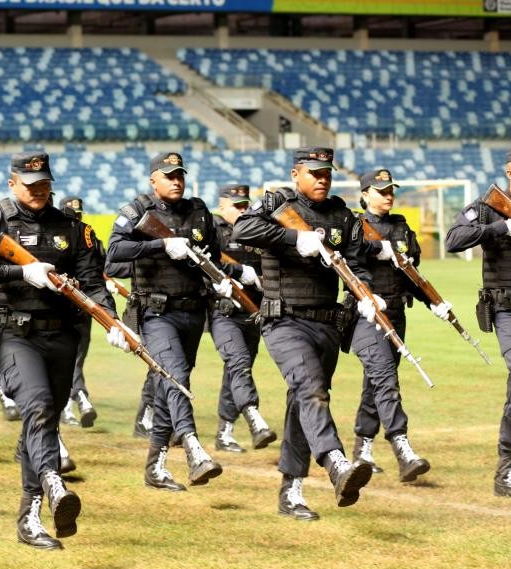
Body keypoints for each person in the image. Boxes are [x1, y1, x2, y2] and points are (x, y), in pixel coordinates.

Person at [0, 152, 122, 550]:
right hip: (15, 335)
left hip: (62, 336)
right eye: (30, 185)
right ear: (12, 183)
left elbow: (92, 281)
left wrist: (113, 321)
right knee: (39, 407)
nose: (38, 190)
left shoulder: (73, 228)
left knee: (44, 421)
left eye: (44, 183)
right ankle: (51, 483)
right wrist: (21, 271)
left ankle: (30, 518)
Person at [233, 147, 374, 521]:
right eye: (314, 172)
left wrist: (366, 295)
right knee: (311, 390)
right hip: (284, 321)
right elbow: (243, 229)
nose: (322, 179)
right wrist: (294, 238)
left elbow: (358, 266)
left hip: (327, 325)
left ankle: (291, 489)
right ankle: (336, 462)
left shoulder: (343, 216)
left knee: (304, 401)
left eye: (327, 172)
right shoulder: (277, 203)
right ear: (296, 174)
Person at [108, 152, 225, 494]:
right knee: (175, 377)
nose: (176, 181)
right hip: (156, 312)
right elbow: (114, 253)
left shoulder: (199, 211)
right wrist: (160, 245)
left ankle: (155, 467)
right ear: (153, 180)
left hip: (193, 312)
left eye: (180, 175)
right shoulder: (136, 211)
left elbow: (212, 254)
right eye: (169, 175)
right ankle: (193, 447)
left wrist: (219, 277)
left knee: (167, 386)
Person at [447, 145, 511, 501]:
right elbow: (454, 239)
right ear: (510, 172)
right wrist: (504, 226)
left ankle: (506, 473)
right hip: (508, 311)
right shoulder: (487, 206)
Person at [349, 169, 434, 482]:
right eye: (381, 191)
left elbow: (410, 272)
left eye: (390, 190)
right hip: (365, 315)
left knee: (376, 382)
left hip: (396, 313)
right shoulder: (354, 225)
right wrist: (379, 248)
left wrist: (434, 302)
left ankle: (363, 449)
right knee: (385, 378)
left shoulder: (401, 226)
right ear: (365, 194)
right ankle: (402, 448)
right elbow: (347, 252)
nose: (388, 196)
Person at [209, 184, 276, 453]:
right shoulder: (212, 231)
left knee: (237, 370)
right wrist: (231, 275)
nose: (242, 209)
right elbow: (201, 262)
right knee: (238, 363)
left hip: (253, 312)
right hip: (224, 312)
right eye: (236, 206)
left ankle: (224, 432)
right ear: (221, 206)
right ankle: (253, 417)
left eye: (245, 205)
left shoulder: (256, 230)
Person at [58, 196, 99, 430]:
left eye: (78, 215)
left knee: (77, 359)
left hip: (82, 309)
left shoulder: (90, 237)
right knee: (67, 359)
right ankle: (78, 398)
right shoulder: (53, 237)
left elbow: (100, 267)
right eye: (71, 215)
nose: (76, 219)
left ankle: (71, 402)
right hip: (59, 310)